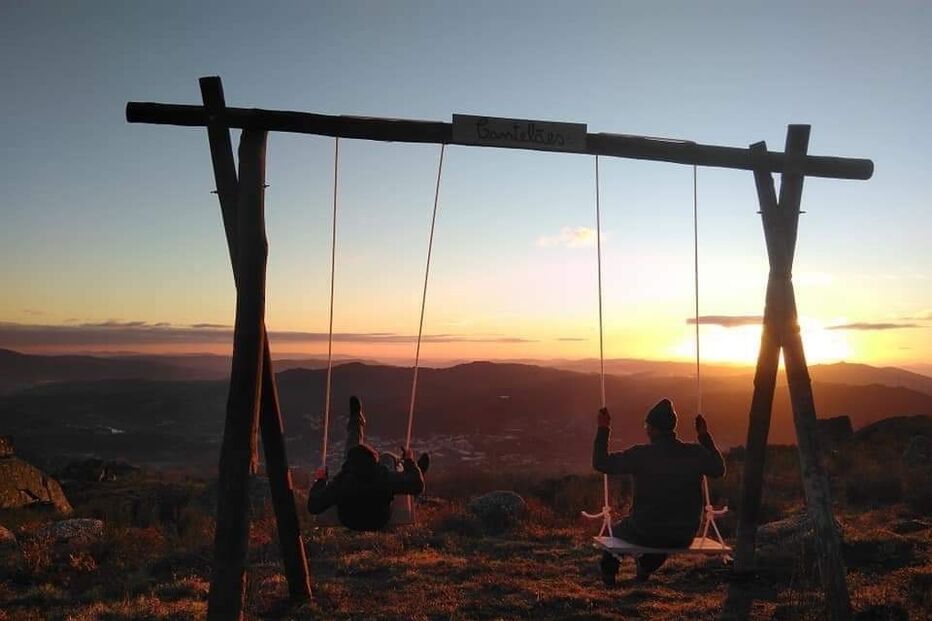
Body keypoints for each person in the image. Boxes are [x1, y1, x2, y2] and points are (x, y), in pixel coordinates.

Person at [593, 398, 725, 585]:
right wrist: (704, 436)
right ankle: (645, 568)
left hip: (645, 529)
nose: (646, 429)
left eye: (647, 426)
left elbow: (601, 463)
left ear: (653, 429)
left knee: (615, 534)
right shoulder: (694, 453)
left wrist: (603, 428)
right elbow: (719, 469)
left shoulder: (641, 455)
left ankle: (609, 578)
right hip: (683, 533)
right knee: (663, 537)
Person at [307, 395, 429, 531]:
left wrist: (320, 480)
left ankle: (356, 420)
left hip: (350, 520)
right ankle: (412, 473)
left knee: (353, 450)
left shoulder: (342, 483)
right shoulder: (383, 478)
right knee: (388, 458)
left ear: (349, 465)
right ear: (374, 463)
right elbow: (418, 486)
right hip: (379, 519)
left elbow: (313, 506)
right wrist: (409, 461)